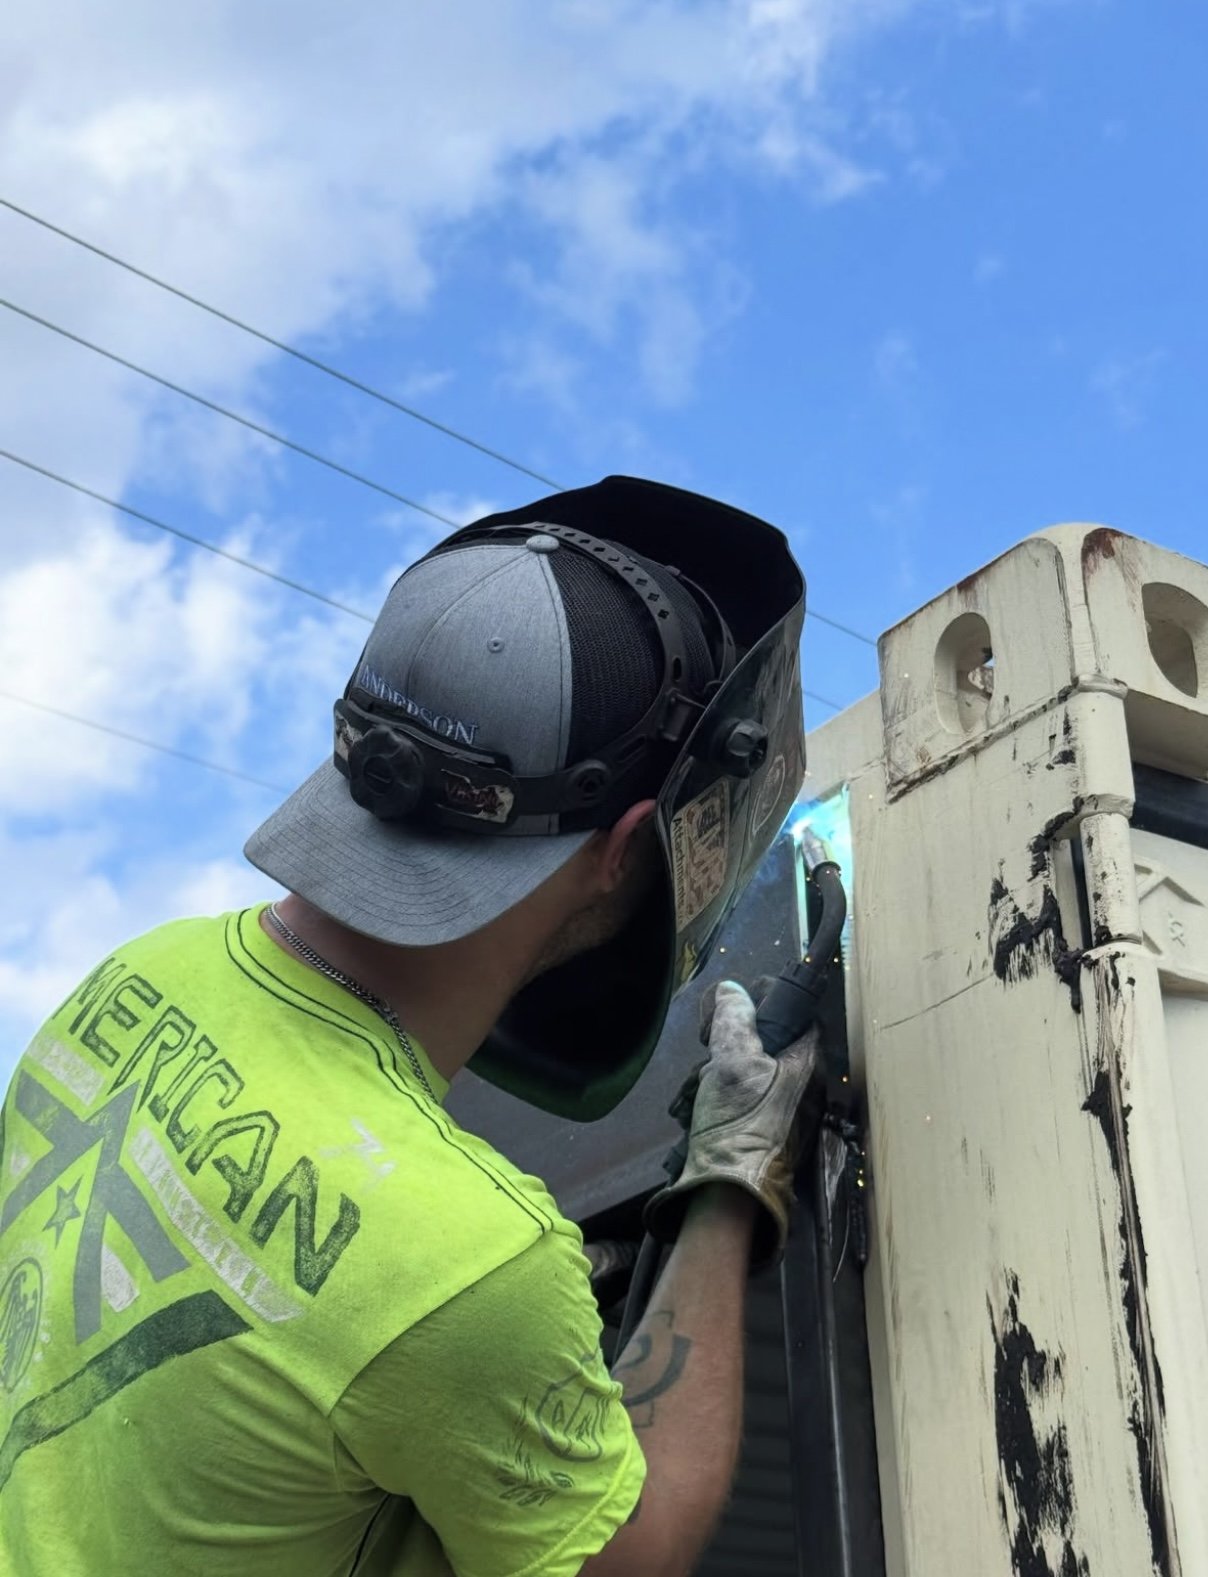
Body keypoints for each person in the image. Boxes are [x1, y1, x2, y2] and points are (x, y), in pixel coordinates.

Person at [0, 476, 820, 1576]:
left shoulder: (141, 970)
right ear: (632, 844)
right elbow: (640, 1549)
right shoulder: (469, 1261)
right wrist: (727, 1178)